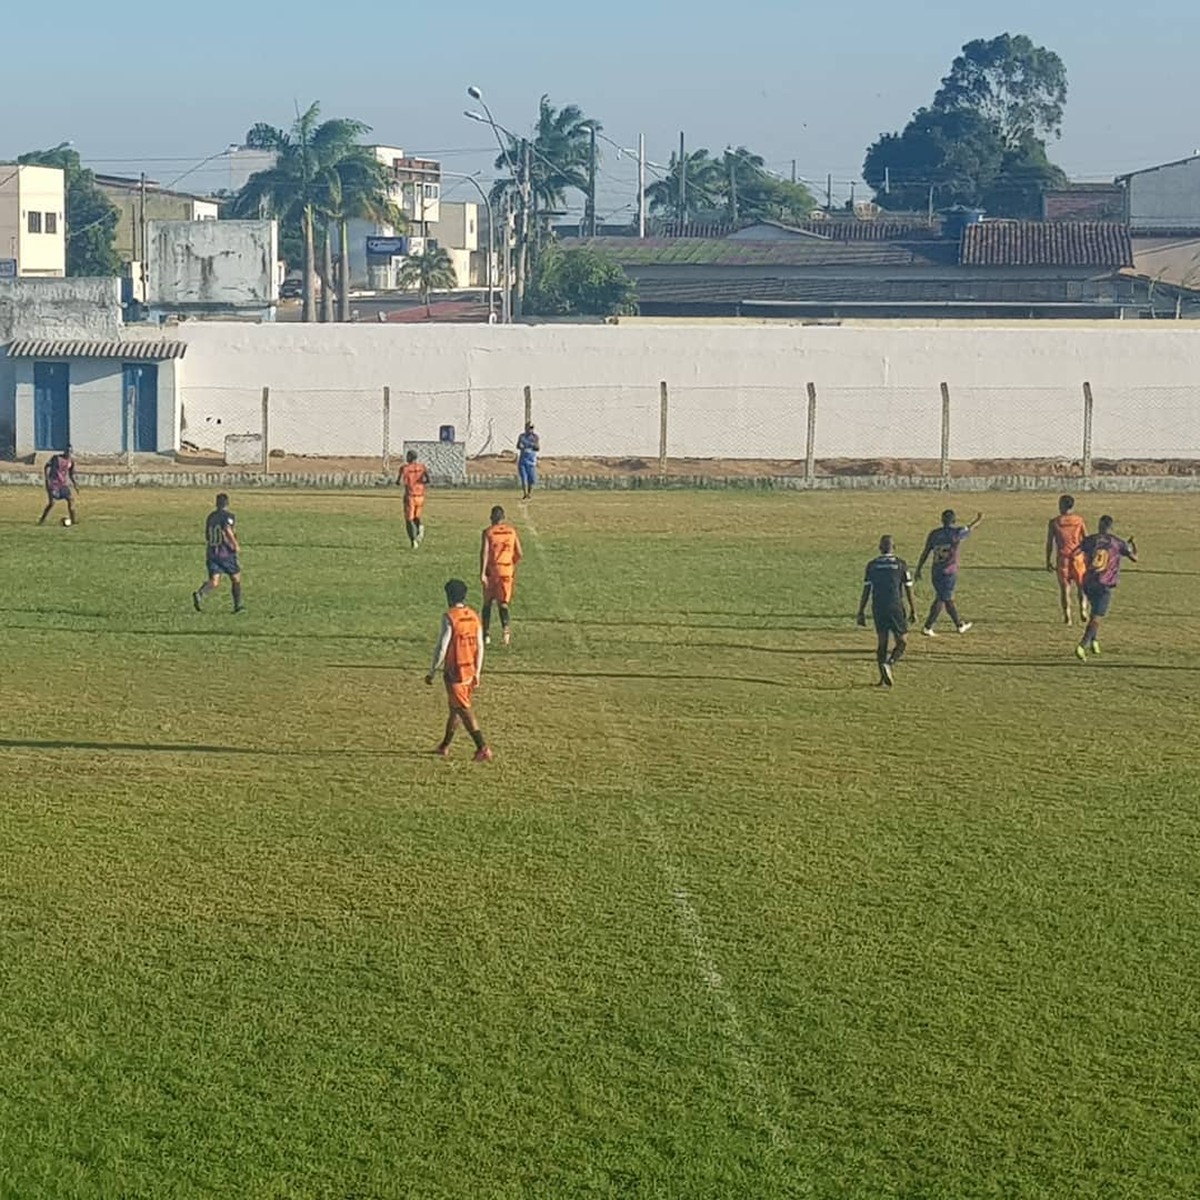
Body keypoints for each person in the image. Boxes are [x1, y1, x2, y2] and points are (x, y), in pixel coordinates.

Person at [426, 578, 493, 761]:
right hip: (470, 670)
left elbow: (442, 647)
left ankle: (482, 747)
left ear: (448, 596)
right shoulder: (473, 616)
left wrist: (432, 671)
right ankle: (444, 745)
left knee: (463, 709)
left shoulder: (450, 617)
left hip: (455, 672)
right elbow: (480, 645)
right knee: (454, 708)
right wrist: (477, 672)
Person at [857, 535, 919, 687]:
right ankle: (889, 663)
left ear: (880, 548)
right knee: (902, 641)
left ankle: (882, 678)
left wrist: (861, 611)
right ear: (894, 547)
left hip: (878, 607)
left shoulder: (872, 565)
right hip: (895, 606)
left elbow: (866, 590)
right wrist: (913, 610)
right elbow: (908, 589)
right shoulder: (900, 564)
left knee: (882, 642)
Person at [1075, 515, 1138, 661]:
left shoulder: (1091, 539)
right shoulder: (1117, 542)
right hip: (1104, 584)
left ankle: (1094, 642)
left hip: (1089, 582)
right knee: (1097, 617)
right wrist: (1133, 545)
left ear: (1099, 526)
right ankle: (1082, 645)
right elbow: (1135, 558)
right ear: (1111, 527)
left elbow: (1078, 551)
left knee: (1094, 612)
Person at [915, 508, 983, 636]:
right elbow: (969, 528)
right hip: (949, 571)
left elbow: (926, 551)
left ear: (942, 520)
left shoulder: (934, 534)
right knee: (943, 598)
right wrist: (978, 520)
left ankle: (959, 625)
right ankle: (928, 627)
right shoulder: (955, 533)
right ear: (954, 520)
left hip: (936, 571)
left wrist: (919, 568)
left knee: (945, 598)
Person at [192, 493, 245, 614]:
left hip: (212, 553)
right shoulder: (228, 516)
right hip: (225, 553)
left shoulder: (211, 517)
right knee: (236, 578)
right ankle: (238, 606)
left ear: (216, 504)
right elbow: (227, 529)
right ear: (227, 503)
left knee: (214, 581)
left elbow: (207, 535)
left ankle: (200, 594)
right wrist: (235, 544)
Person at [480, 505, 523, 646]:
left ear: (491, 518)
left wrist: (482, 573)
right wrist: (511, 563)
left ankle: (486, 635)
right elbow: (519, 553)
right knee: (503, 602)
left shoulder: (488, 532)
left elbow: (484, 553)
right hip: (506, 570)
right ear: (503, 518)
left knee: (487, 603)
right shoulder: (511, 531)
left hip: (492, 570)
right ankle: (506, 633)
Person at [1045, 494, 1089, 625]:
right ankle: (1083, 609)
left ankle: (1067, 616)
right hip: (1077, 557)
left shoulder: (1054, 522)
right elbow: (1086, 539)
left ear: (1062, 506)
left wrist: (1048, 560)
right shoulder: (1079, 520)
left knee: (1065, 588)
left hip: (1062, 557)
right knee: (1081, 586)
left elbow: (1050, 543)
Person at [38, 446, 78, 526]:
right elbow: (46, 466)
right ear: (64, 451)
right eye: (67, 451)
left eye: (70, 451)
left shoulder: (71, 462)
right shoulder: (56, 458)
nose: (68, 453)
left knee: (71, 500)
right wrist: (47, 479)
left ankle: (73, 520)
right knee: (52, 503)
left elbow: (71, 474)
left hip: (63, 485)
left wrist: (75, 484)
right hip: (54, 484)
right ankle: (42, 520)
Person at [399, 449, 430, 549]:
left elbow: (399, 481)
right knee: (417, 516)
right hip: (420, 495)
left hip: (410, 495)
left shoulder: (405, 468)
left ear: (409, 457)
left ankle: (413, 541)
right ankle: (420, 527)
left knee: (409, 519)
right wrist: (420, 483)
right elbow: (428, 479)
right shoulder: (422, 467)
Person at [516, 422, 540, 500]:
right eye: (529, 428)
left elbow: (537, 448)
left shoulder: (535, 437)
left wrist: (532, 446)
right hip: (523, 461)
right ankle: (525, 494)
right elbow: (518, 446)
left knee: (531, 479)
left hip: (531, 461)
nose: (530, 430)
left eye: (532, 428)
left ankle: (529, 493)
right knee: (524, 478)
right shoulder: (522, 436)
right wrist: (520, 446)